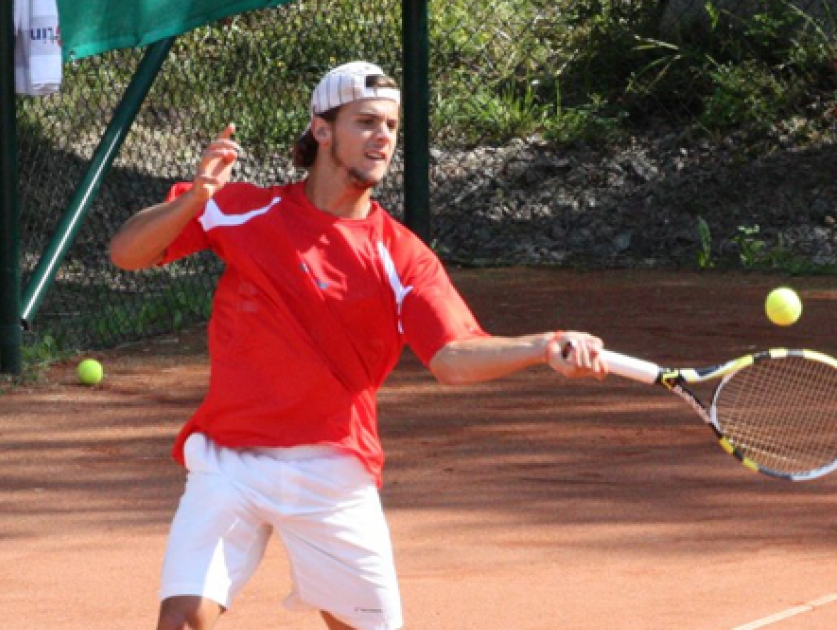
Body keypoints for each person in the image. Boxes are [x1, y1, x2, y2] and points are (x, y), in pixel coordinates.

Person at [109, 61, 610, 630]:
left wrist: (542, 345)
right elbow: (128, 253)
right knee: (180, 621)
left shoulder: (401, 257)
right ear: (322, 131)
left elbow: (451, 359)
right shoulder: (242, 207)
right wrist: (194, 198)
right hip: (230, 461)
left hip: (332, 469)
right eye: (366, 122)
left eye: (391, 127)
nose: (383, 139)